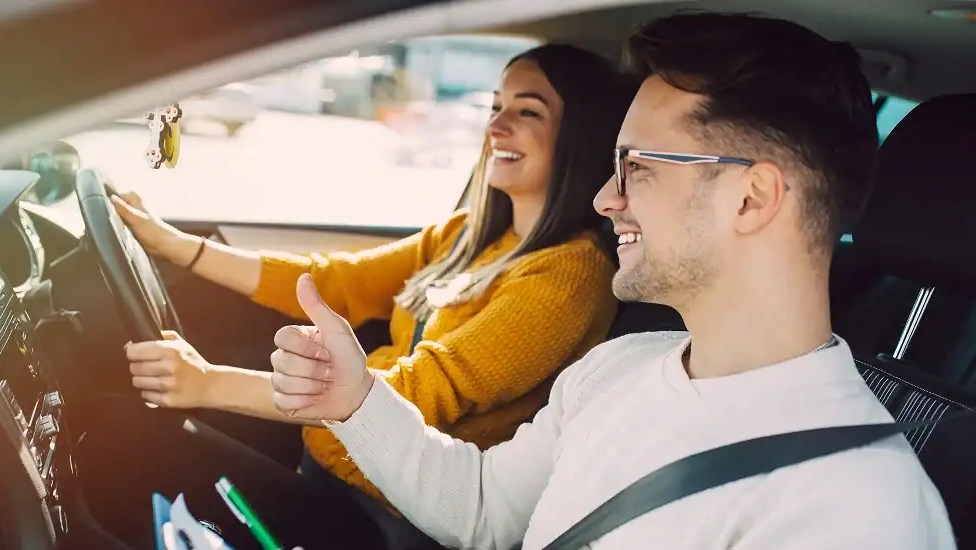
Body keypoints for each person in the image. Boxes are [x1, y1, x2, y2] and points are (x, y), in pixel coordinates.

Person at [268, 12, 957, 550]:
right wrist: (356, 400)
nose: (604, 198)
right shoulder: (618, 368)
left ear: (750, 199)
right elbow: (482, 510)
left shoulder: (859, 508)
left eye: (638, 167)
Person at [77, 44, 638, 550]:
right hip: (330, 478)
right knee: (119, 435)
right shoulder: (469, 235)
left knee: (118, 436)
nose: (496, 124)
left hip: (384, 522)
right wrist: (176, 246)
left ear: (579, 135)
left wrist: (206, 382)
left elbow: (414, 394)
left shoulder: (568, 275)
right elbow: (338, 283)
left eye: (528, 112)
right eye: (496, 106)